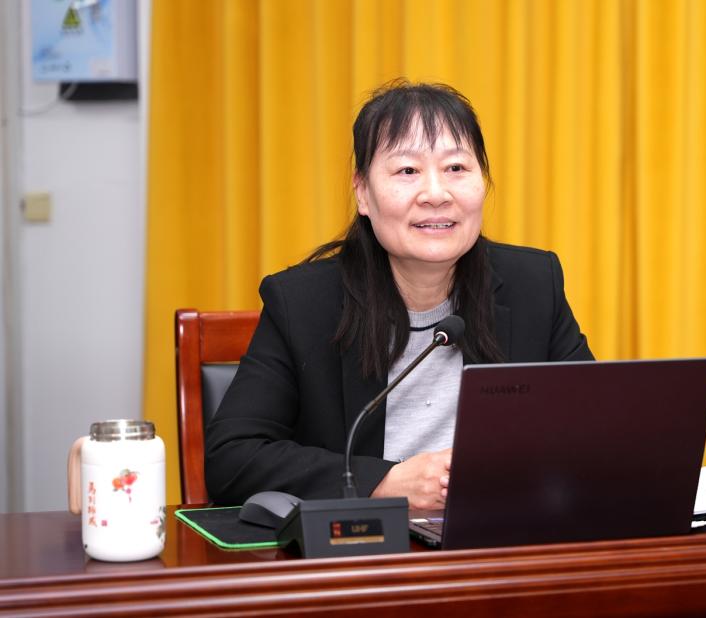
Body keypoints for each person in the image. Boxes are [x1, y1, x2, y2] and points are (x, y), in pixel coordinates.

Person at [205, 81, 593, 509]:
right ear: (363, 193)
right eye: (408, 171)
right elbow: (232, 458)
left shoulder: (533, 283)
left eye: (456, 168)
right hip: (368, 544)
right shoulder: (303, 304)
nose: (436, 194)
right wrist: (383, 482)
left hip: (495, 535)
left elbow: (595, 431)